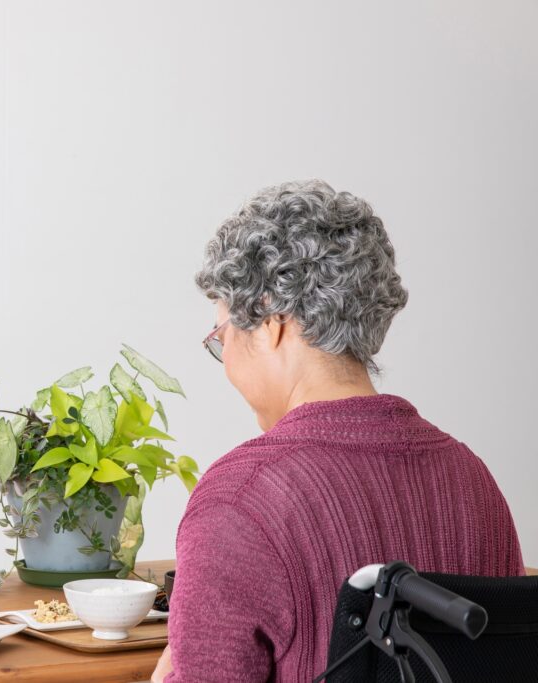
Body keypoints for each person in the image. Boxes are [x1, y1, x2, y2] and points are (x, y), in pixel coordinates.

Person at [152, 180, 523, 682]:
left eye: (223, 337)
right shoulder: (475, 484)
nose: (226, 361)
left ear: (270, 322)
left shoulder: (238, 501)